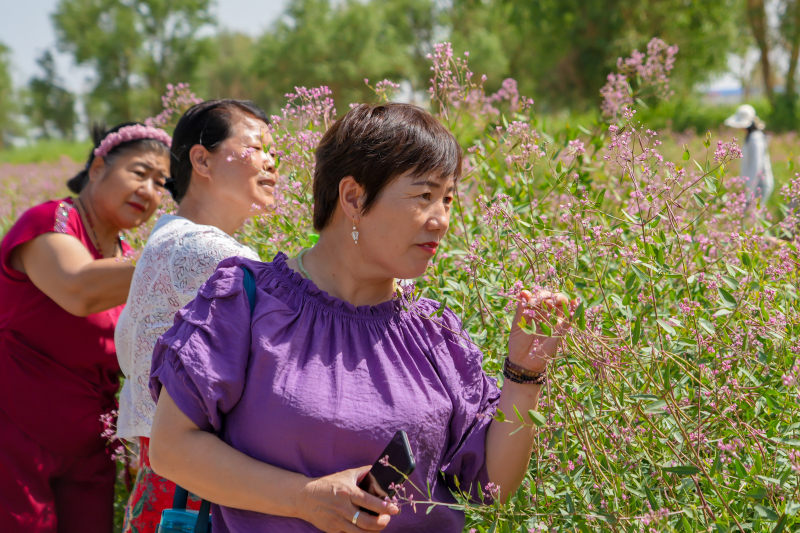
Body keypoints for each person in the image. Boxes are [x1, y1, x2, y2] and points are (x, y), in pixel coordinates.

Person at [148, 103, 575, 533]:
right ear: (353, 197)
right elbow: (171, 448)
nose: (442, 219)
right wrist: (302, 498)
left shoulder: (436, 334)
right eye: (424, 195)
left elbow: (493, 488)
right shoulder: (245, 301)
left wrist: (525, 372)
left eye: (447, 199)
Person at [0, 123, 171, 533]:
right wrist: (180, 256)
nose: (149, 190)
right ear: (97, 168)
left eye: (160, 182)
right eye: (139, 172)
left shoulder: (129, 258)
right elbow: (78, 289)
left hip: (91, 447)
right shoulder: (49, 222)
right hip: (15, 436)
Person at [115, 99, 276, 532]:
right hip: (195, 488)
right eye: (258, 148)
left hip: (165, 487)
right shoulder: (208, 250)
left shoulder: (168, 236)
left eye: (275, 152)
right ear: (202, 159)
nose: (272, 163)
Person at [725, 104, 774, 208]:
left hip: (759, 184)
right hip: (755, 183)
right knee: (754, 215)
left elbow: (756, 166)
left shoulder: (755, 138)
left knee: (753, 215)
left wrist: (749, 191)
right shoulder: (751, 136)